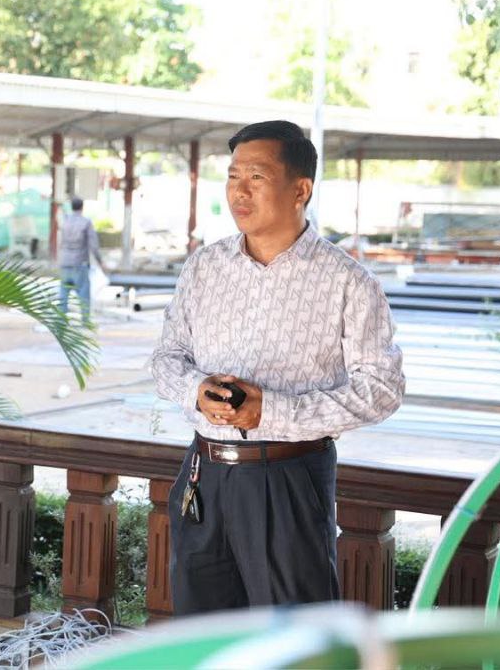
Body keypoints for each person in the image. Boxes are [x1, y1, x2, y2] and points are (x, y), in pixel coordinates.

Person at [149, 120, 405, 613]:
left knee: (293, 635)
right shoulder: (204, 267)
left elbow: (382, 389)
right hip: (203, 473)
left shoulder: (347, 281)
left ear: (300, 190)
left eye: (257, 177)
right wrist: (196, 389)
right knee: (203, 632)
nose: (239, 192)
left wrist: (270, 411)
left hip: (288, 478)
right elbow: (166, 358)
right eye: (233, 177)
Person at [57, 196, 100, 316]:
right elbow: (93, 245)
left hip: (65, 262)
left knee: (63, 295)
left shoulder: (65, 221)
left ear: (71, 207)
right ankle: (85, 321)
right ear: (82, 207)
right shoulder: (86, 222)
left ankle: (60, 321)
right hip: (79, 263)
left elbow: (60, 242)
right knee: (84, 294)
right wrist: (100, 261)